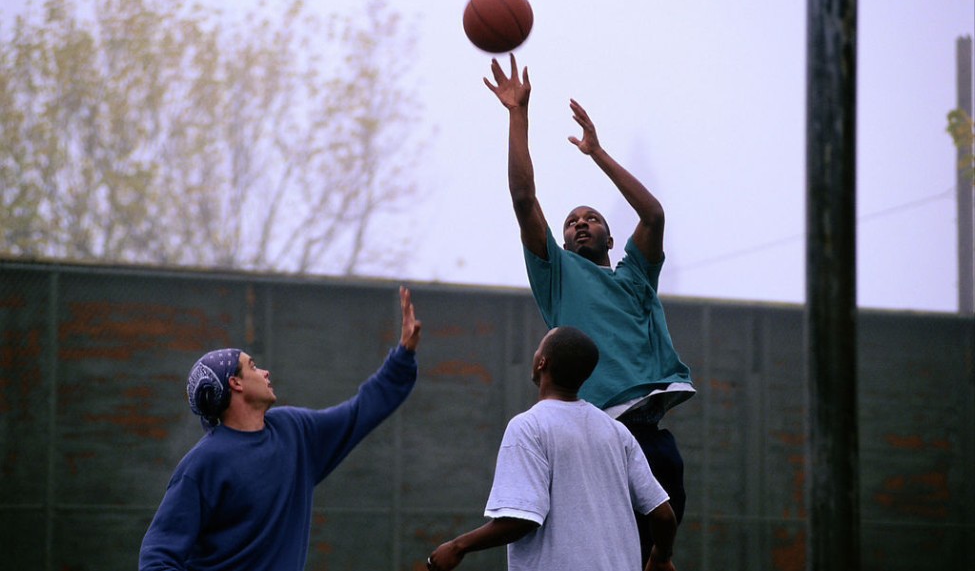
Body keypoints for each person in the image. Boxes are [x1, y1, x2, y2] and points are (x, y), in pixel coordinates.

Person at [483, 54, 695, 565]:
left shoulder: (634, 275)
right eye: (572, 220)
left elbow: (654, 213)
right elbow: (522, 197)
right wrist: (518, 114)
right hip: (598, 436)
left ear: (609, 236)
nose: (580, 223)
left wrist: (597, 152)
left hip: (650, 434)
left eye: (592, 218)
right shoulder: (556, 275)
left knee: (654, 550)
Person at [138, 286, 422, 571]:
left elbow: (360, 412)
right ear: (235, 384)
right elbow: (157, 558)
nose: (265, 372)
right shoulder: (203, 465)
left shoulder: (295, 431)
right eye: (253, 366)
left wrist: (403, 355)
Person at [426, 326, 677, 571]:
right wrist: (661, 557)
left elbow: (522, 519)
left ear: (542, 363)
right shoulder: (617, 432)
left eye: (538, 349)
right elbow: (664, 515)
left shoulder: (529, 427)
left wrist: (458, 546)